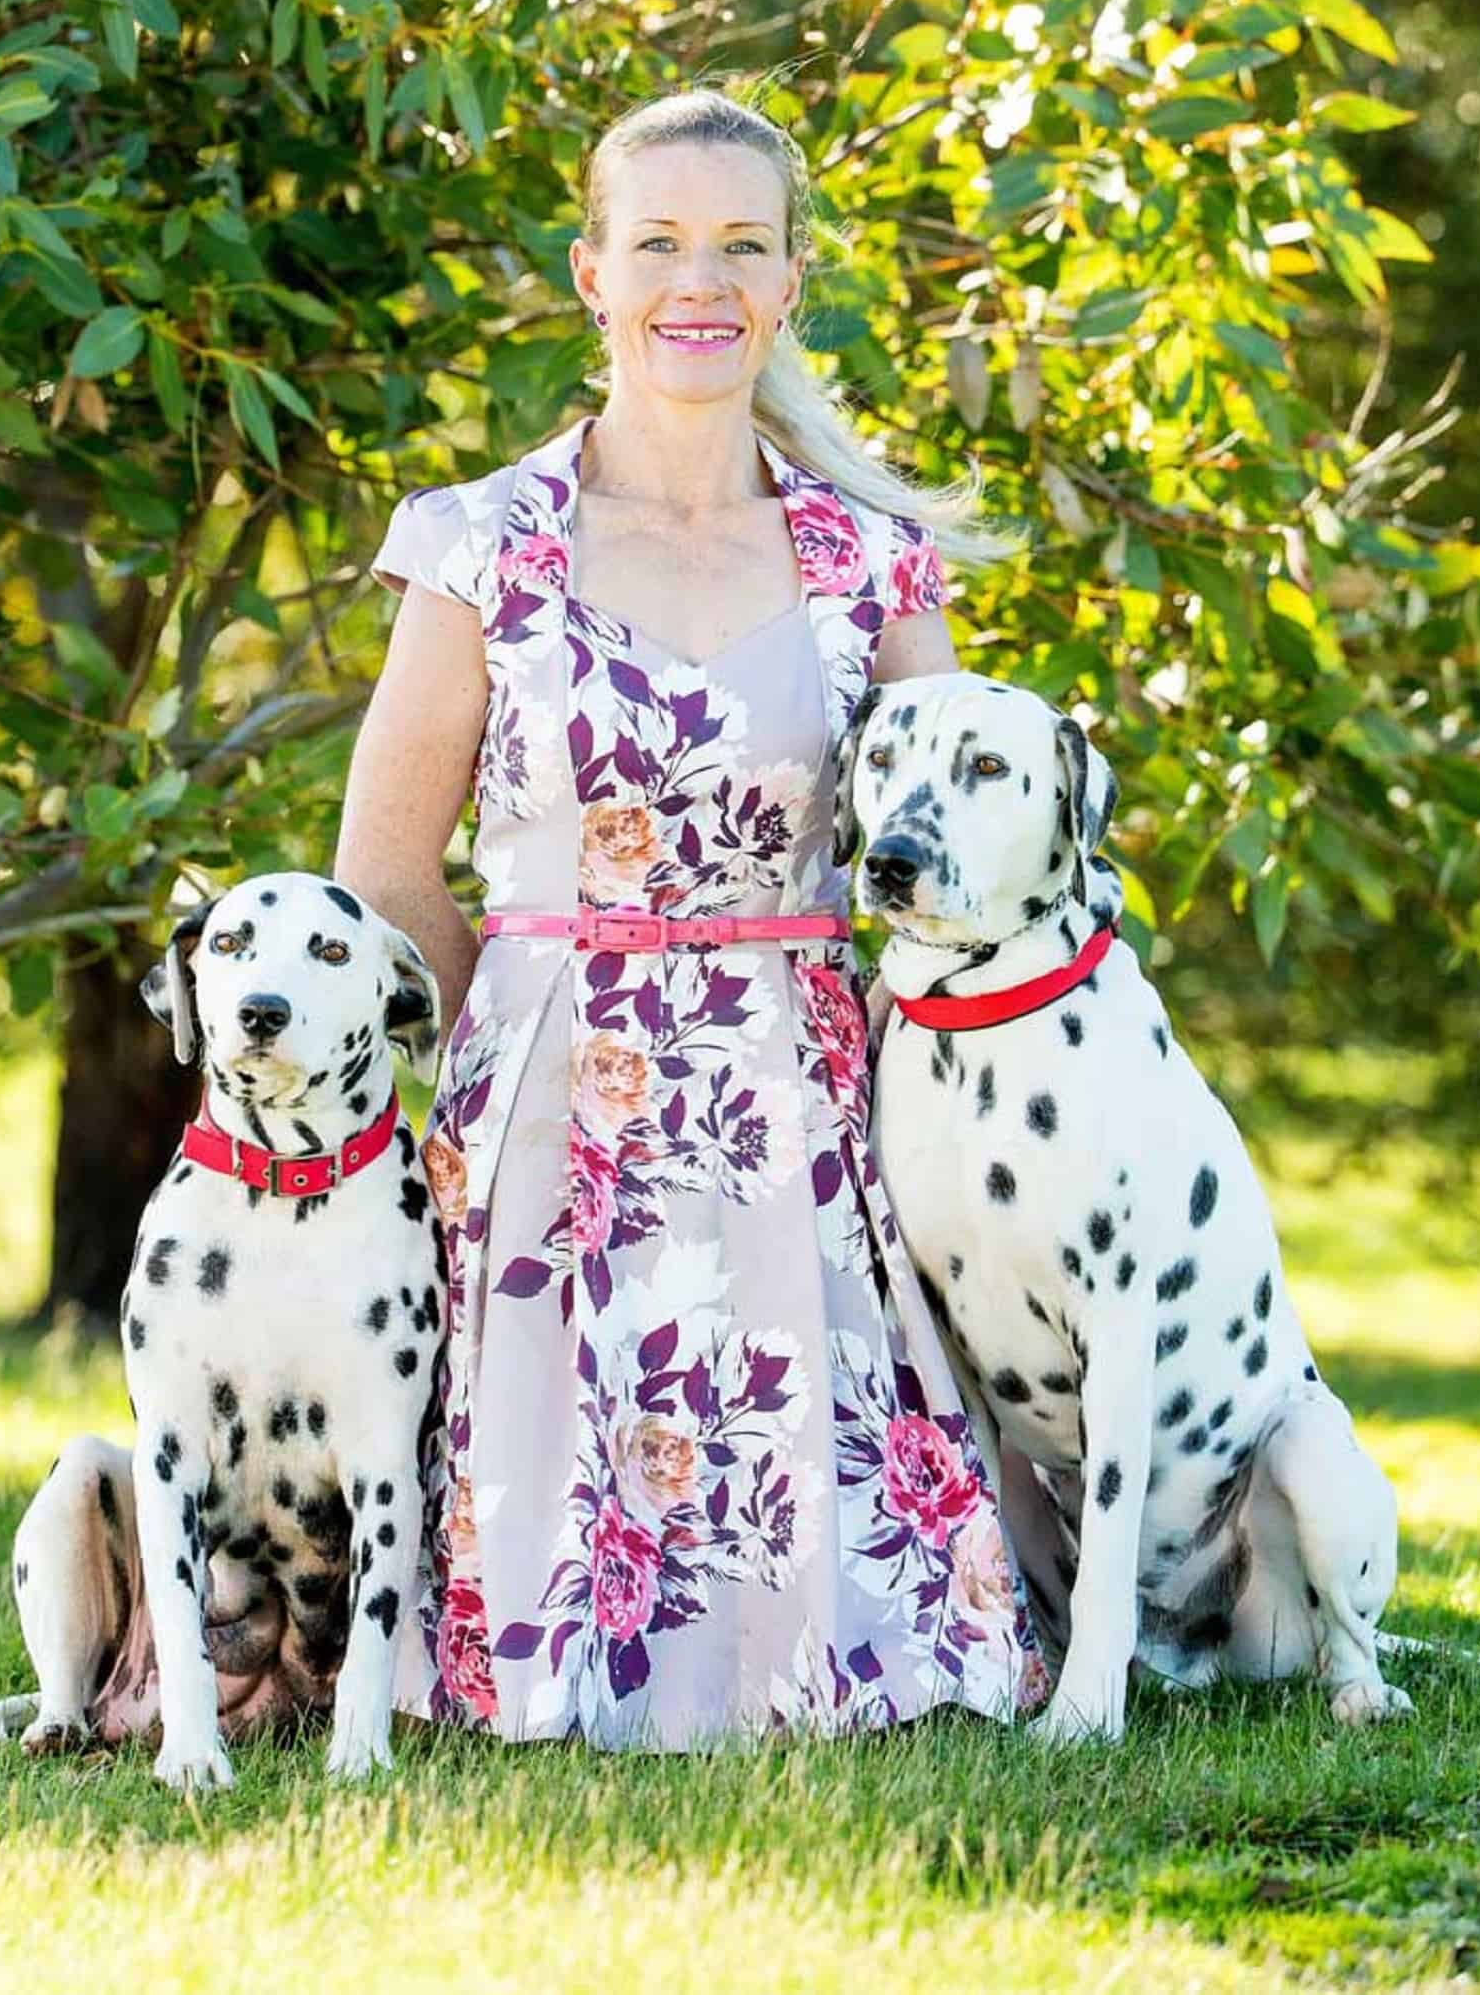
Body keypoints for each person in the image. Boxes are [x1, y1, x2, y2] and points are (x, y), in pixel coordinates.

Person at [336, 86, 1049, 1748]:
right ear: (592, 274)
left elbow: (959, 867)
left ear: (791, 280)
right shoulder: (481, 546)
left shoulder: (874, 567)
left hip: (796, 1110)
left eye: (740, 243)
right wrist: (512, 1058)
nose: (697, 281)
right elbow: (386, 871)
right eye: (656, 241)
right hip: (544, 1106)